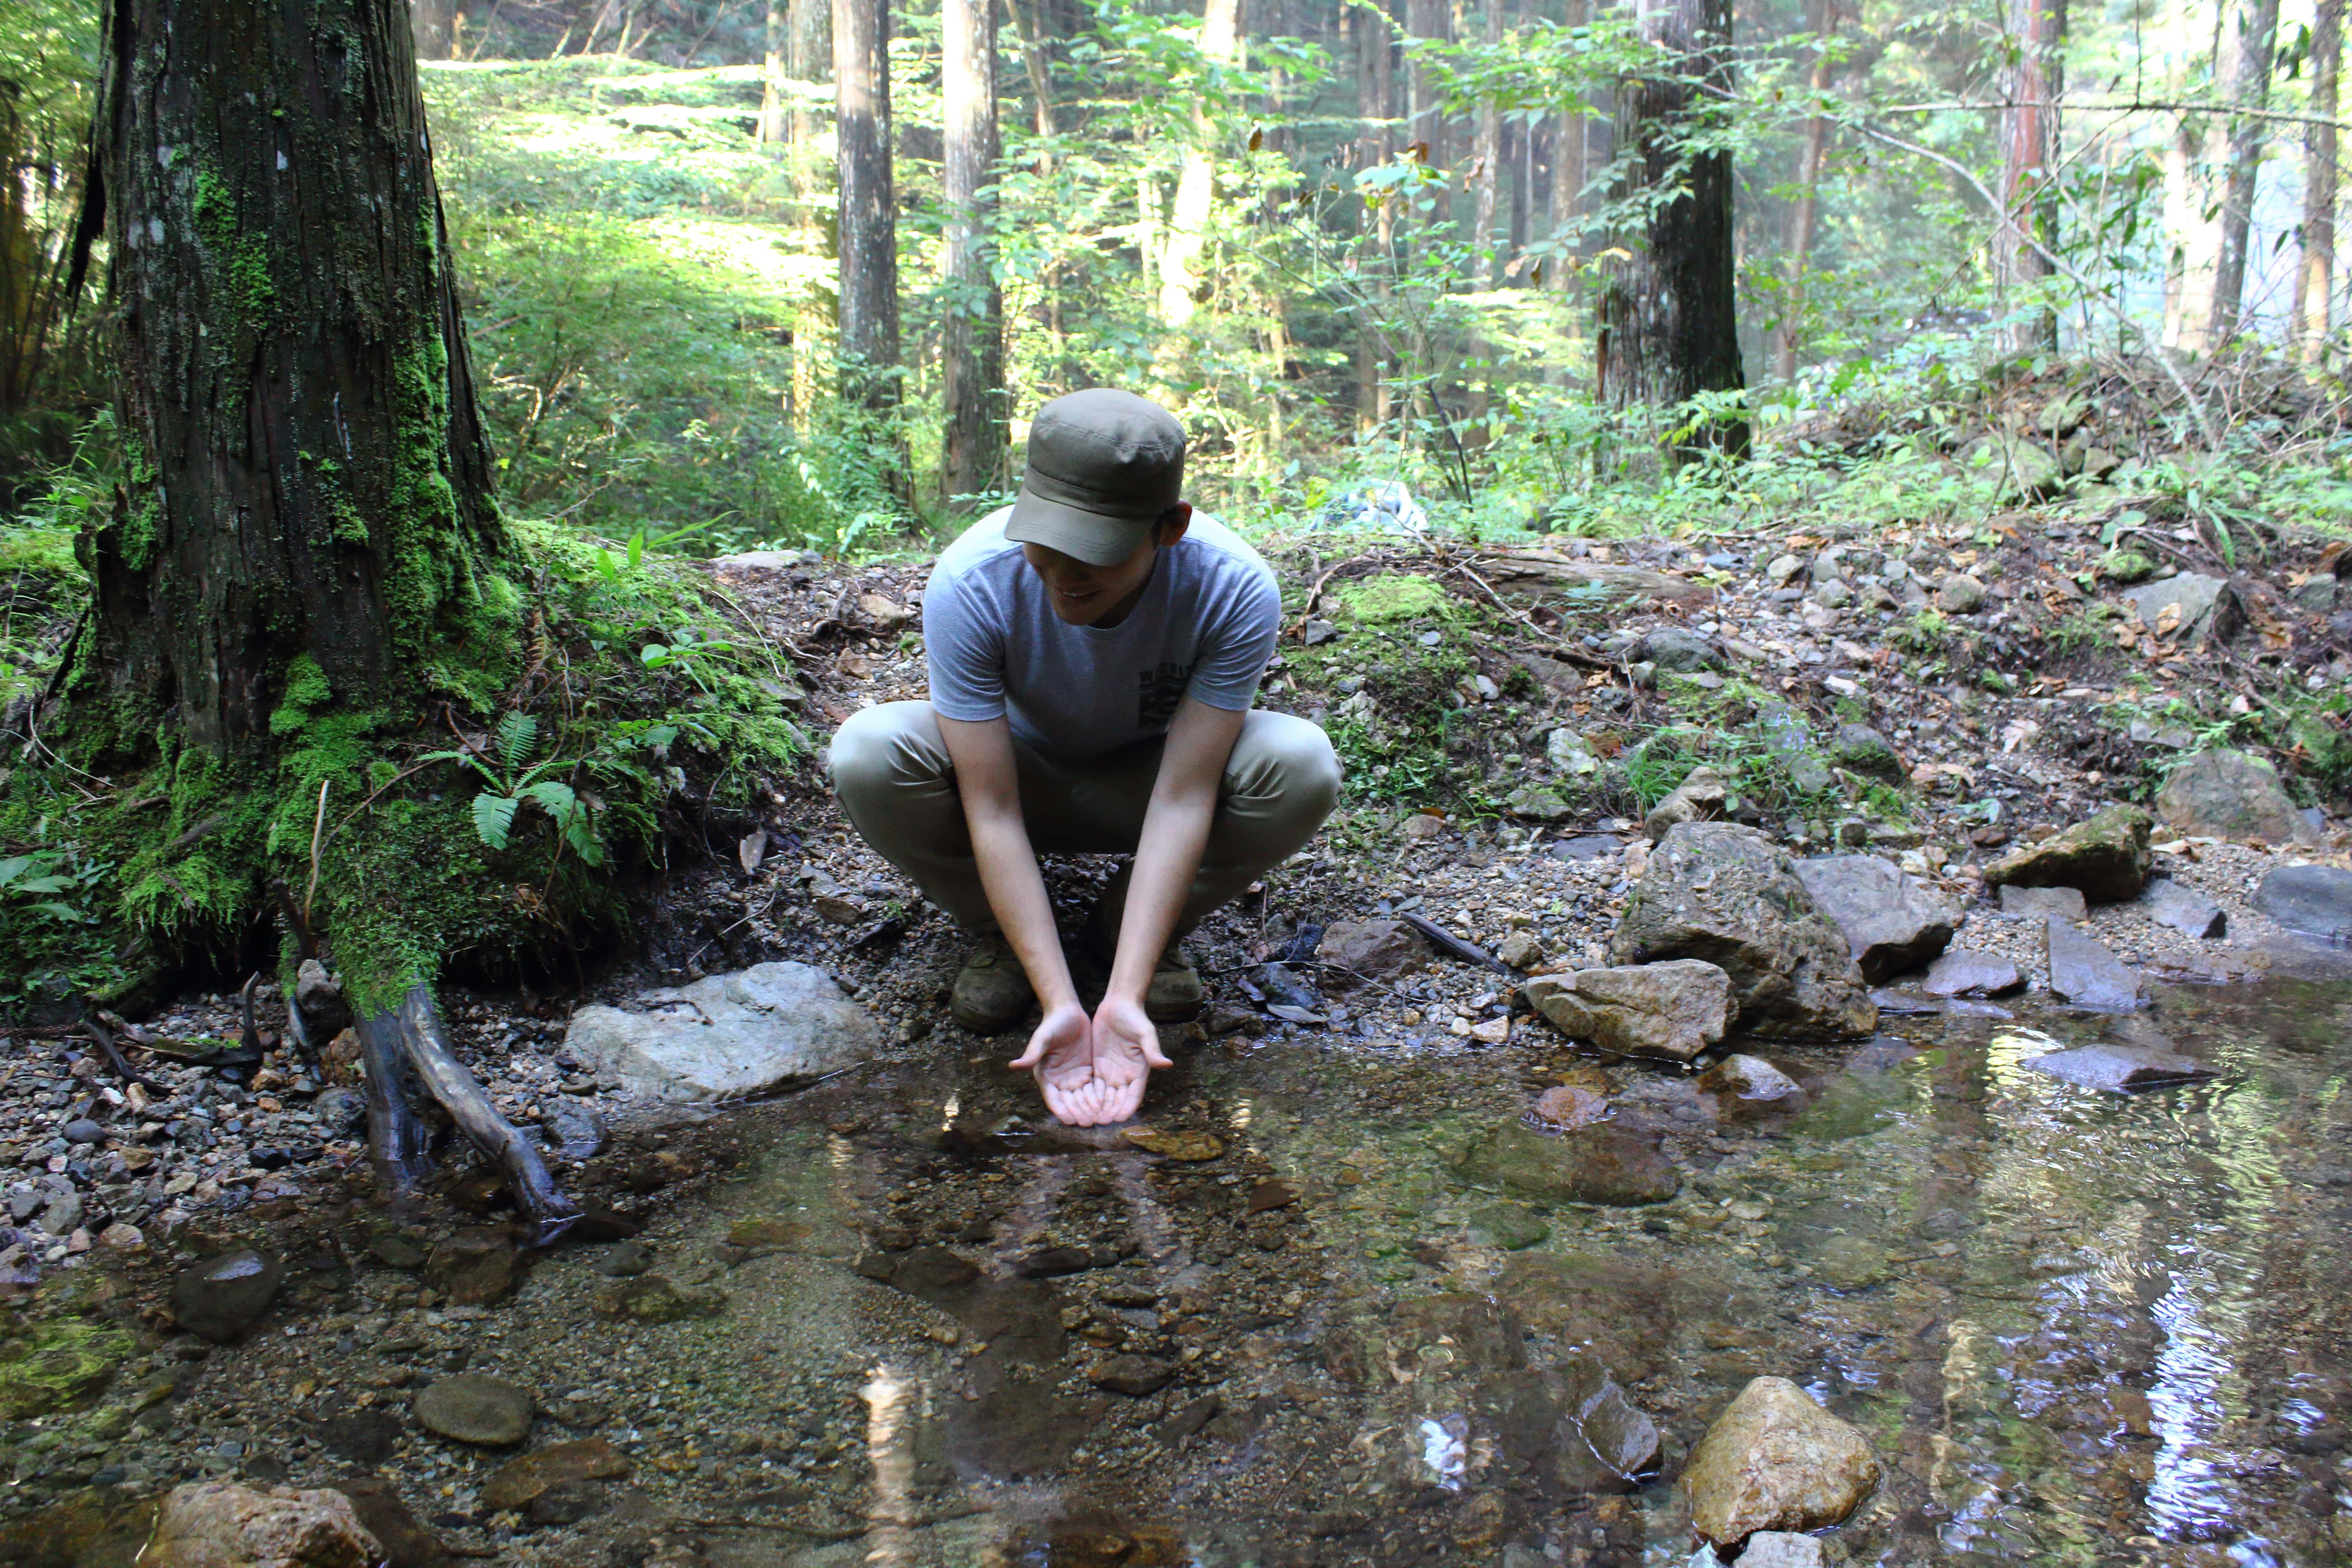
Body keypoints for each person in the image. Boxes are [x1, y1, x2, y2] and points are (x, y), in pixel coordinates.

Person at [829, 389, 1341, 1127]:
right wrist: (1060, 1004)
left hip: (1150, 781)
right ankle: (1001, 939)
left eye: (1096, 551)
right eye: (1046, 542)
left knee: (1301, 763)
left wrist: (1124, 997)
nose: (1064, 575)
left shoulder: (1232, 587)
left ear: (1172, 528)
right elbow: (993, 808)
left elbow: (1183, 797)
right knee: (869, 751)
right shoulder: (973, 579)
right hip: (1018, 778)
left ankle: (1125, 929)